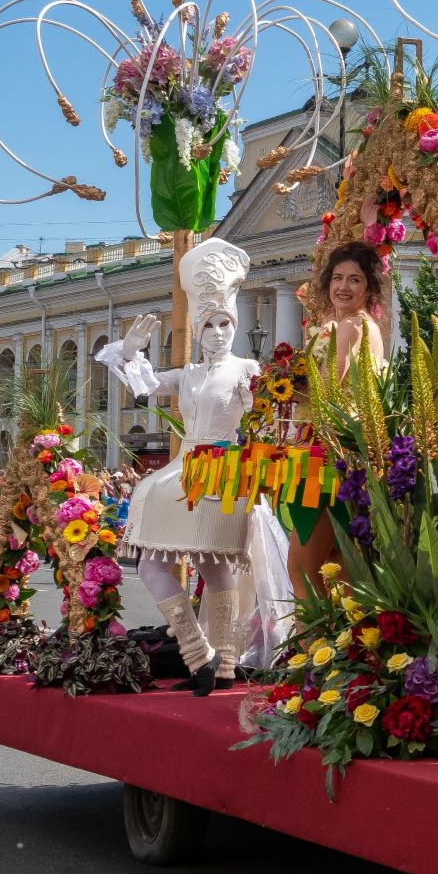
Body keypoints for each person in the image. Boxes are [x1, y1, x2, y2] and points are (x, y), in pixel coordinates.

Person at [98, 238, 267, 696]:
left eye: (224, 322)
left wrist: (260, 412)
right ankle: (200, 653)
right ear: (196, 329)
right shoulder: (189, 373)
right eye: (208, 323)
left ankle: (224, 662)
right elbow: (146, 385)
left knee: (216, 567)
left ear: (235, 325)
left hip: (223, 470)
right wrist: (131, 350)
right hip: (183, 469)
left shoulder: (248, 369)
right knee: (153, 564)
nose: (217, 331)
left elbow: (267, 415)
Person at [288, 241, 388, 598]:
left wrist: (282, 388)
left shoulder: (348, 328)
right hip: (355, 453)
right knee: (341, 567)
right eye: (338, 278)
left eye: (355, 280)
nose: (343, 287)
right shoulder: (366, 326)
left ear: (369, 288)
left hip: (325, 454)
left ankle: (303, 650)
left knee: (301, 570)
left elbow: (326, 391)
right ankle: (334, 649)